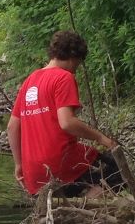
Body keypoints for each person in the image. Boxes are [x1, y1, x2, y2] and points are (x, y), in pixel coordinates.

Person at [7, 29, 122, 197]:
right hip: (60, 163)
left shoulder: (29, 80)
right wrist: (102, 139)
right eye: (79, 62)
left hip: (33, 172)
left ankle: (75, 206)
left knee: (82, 179)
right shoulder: (63, 77)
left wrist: (19, 164)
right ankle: (89, 207)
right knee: (117, 172)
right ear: (73, 56)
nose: (77, 68)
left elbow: (11, 127)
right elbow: (67, 122)